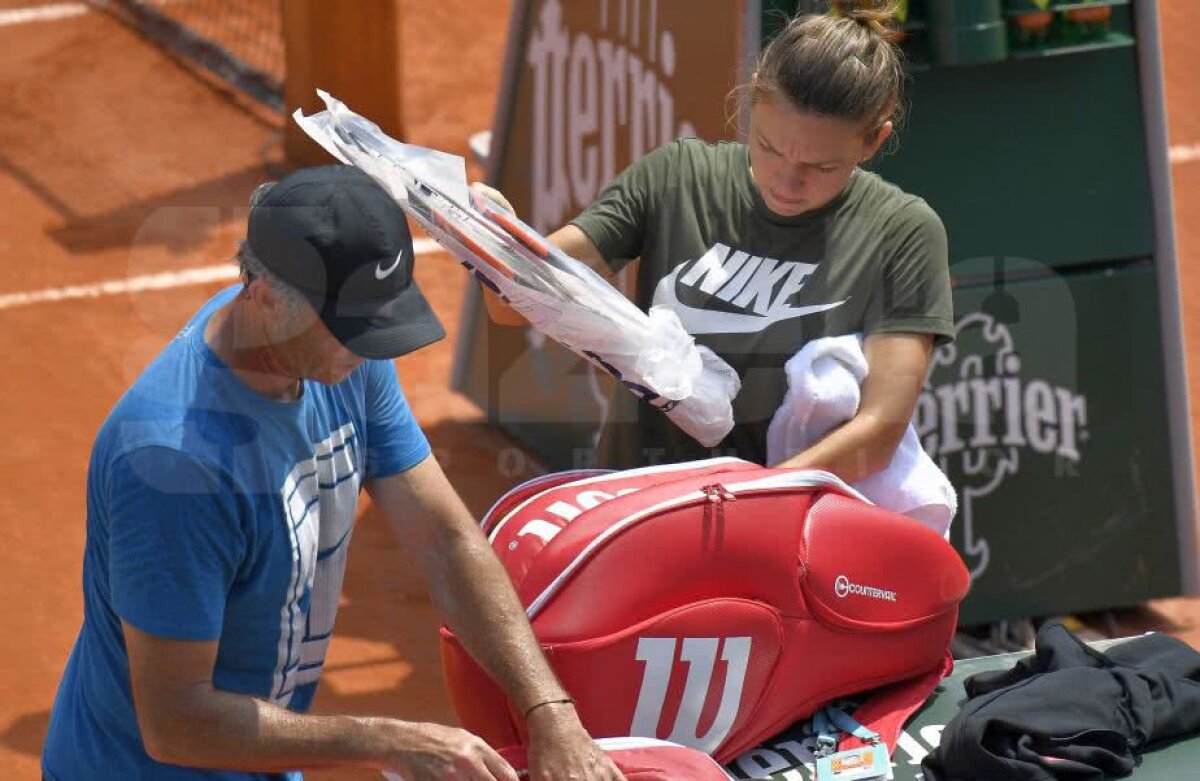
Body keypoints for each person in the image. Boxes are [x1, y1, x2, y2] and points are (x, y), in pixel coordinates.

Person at [42, 165, 624, 781]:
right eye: (353, 329)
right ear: (264, 296)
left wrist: (550, 712)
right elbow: (177, 720)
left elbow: (446, 542)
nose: (374, 347)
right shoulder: (172, 464)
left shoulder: (340, 355)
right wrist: (387, 740)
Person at [477, 0, 953, 481]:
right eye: (768, 147)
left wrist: (753, 500)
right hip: (636, 501)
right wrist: (501, 247)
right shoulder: (676, 176)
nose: (786, 183)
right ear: (752, 104)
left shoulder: (904, 232)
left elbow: (880, 431)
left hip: (778, 526)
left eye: (821, 167)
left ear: (873, 141)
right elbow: (510, 308)